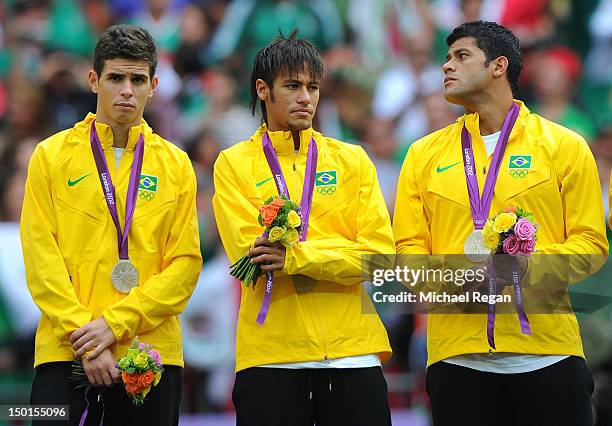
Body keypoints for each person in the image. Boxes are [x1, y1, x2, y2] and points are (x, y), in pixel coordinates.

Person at [393, 21, 608, 426]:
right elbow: (407, 252)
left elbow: (590, 246)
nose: (446, 67)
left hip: (548, 354)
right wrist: (458, 279)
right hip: (457, 359)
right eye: (445, 58)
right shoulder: (422, 155)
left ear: (499, 66)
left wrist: (522, 269)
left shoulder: (564, 146)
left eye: (461, 56)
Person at [20, 24, 201, 425]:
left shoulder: (176, 165)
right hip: (64, 352)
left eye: (138, 80)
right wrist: (87, 339)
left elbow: (185, 265)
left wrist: (114, 326)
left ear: (153, 85)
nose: (126, 90)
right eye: (115, 78)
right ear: (93, 79)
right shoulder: (50, 156)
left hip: (151, 354)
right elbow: (40, 257)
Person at [212, 31, 394, 426]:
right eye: (292, 86)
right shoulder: (233, 164)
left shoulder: (353, 160)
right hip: (272, 356)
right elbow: (252, 256)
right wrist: (339, 251)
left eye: (312, 87)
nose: (306, 97)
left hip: (353, 353)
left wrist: (297, 256)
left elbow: (378, 258)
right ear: (263, 90)